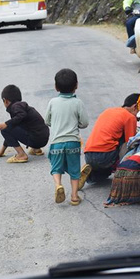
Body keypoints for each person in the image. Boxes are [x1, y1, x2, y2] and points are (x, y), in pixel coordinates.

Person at [44, 69, 89, 205]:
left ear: (56, 87)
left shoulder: (52, 102)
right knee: (75, 170)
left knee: (56, 168)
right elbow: (84, 123)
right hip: (73, 143)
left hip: (56, 143)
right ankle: (74, 196)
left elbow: (47, 121)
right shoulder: (78, 103)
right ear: (76, 85)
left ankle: (58, 185)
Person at [83, 93, 140, 183]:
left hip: (88, 155)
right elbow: (130, 142)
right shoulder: (130, 117)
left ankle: (90, 174)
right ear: (134, 107)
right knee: (130, 142)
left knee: (104, 174)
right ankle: (121, 170)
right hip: (104, 157)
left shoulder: (108, 111)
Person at [0, 84, 49, 163]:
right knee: (10, 127)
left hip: (36, 139)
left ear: (5, 100)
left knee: (5, 129)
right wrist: (2, 150)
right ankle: (36, 149)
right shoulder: (21, 106)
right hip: (43, 138)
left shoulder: (15, 107)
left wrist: (5, 124)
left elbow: (12, 125)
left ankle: (21, 154)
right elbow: (12, 130)